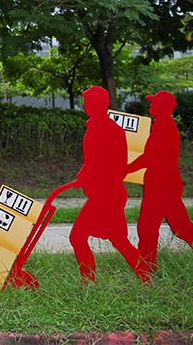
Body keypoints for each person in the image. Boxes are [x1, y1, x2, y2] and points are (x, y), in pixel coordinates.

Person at [125, 91, 193, 272]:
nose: (150, 105)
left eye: (154, 102)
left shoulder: (164, 126)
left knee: (151, 228)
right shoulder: (161, 125)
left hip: (162, 187)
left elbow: (150, 157)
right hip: (162, 185)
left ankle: (147, 269)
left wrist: (125, 169)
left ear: (162, 106)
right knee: (175, 227)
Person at [67, 86, 151, 284]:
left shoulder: (102, 130)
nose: (85, 105)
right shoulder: (104, 128)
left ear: (97, 104)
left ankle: (88, 283)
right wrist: (83, 177)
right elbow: (95, 163)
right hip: (108, 192)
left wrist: (87, 178)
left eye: (88, 101)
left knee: (78, 237)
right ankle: (145, 278)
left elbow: (106, 164)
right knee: (118, 240)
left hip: (106, 194)